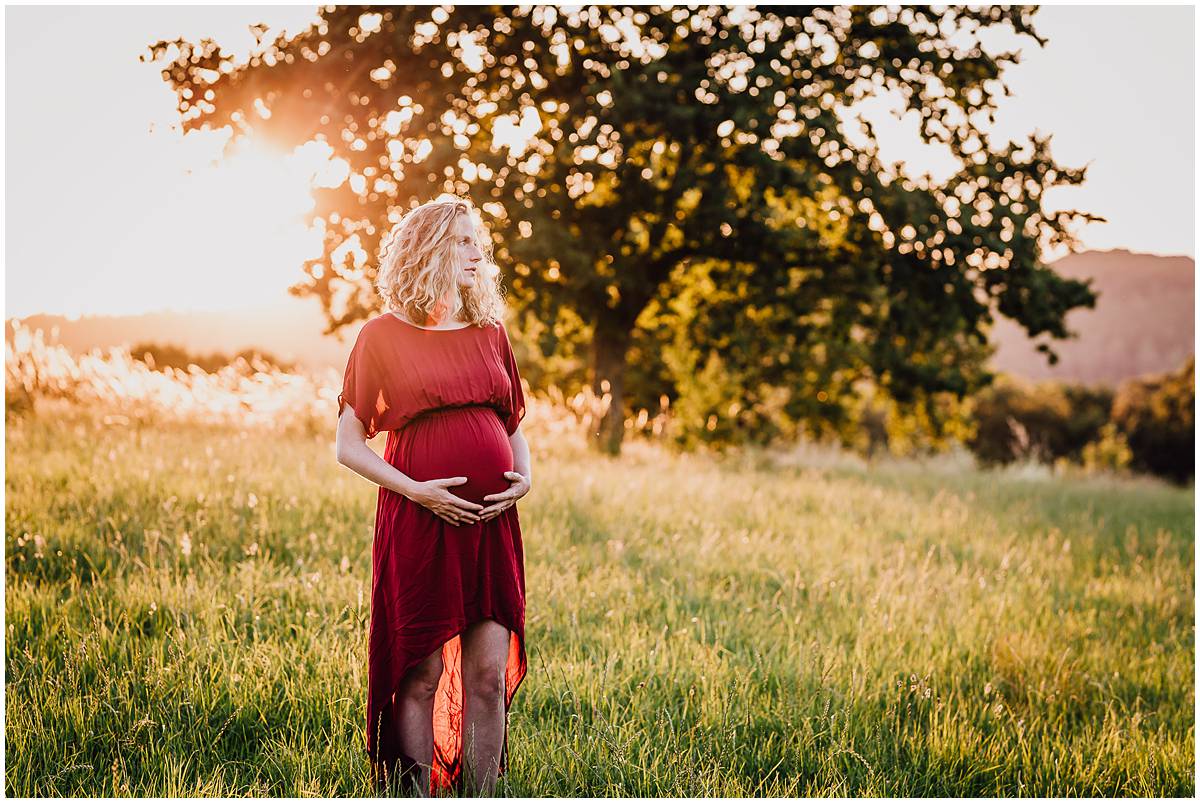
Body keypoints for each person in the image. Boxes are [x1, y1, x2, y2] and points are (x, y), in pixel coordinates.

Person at [335, 196, 532, 796]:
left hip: (491, 523)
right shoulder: (381, 337)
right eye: (464, 242)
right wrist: (418, 491)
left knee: (488, 677)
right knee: (418, 672)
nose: (478, 253)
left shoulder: (490, 333)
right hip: (419, 520)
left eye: (478, 242)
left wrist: (523, 477)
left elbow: (513, 422)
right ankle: (414, 793)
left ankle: (482, 793)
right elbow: (349, 445)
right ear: (428, 251)